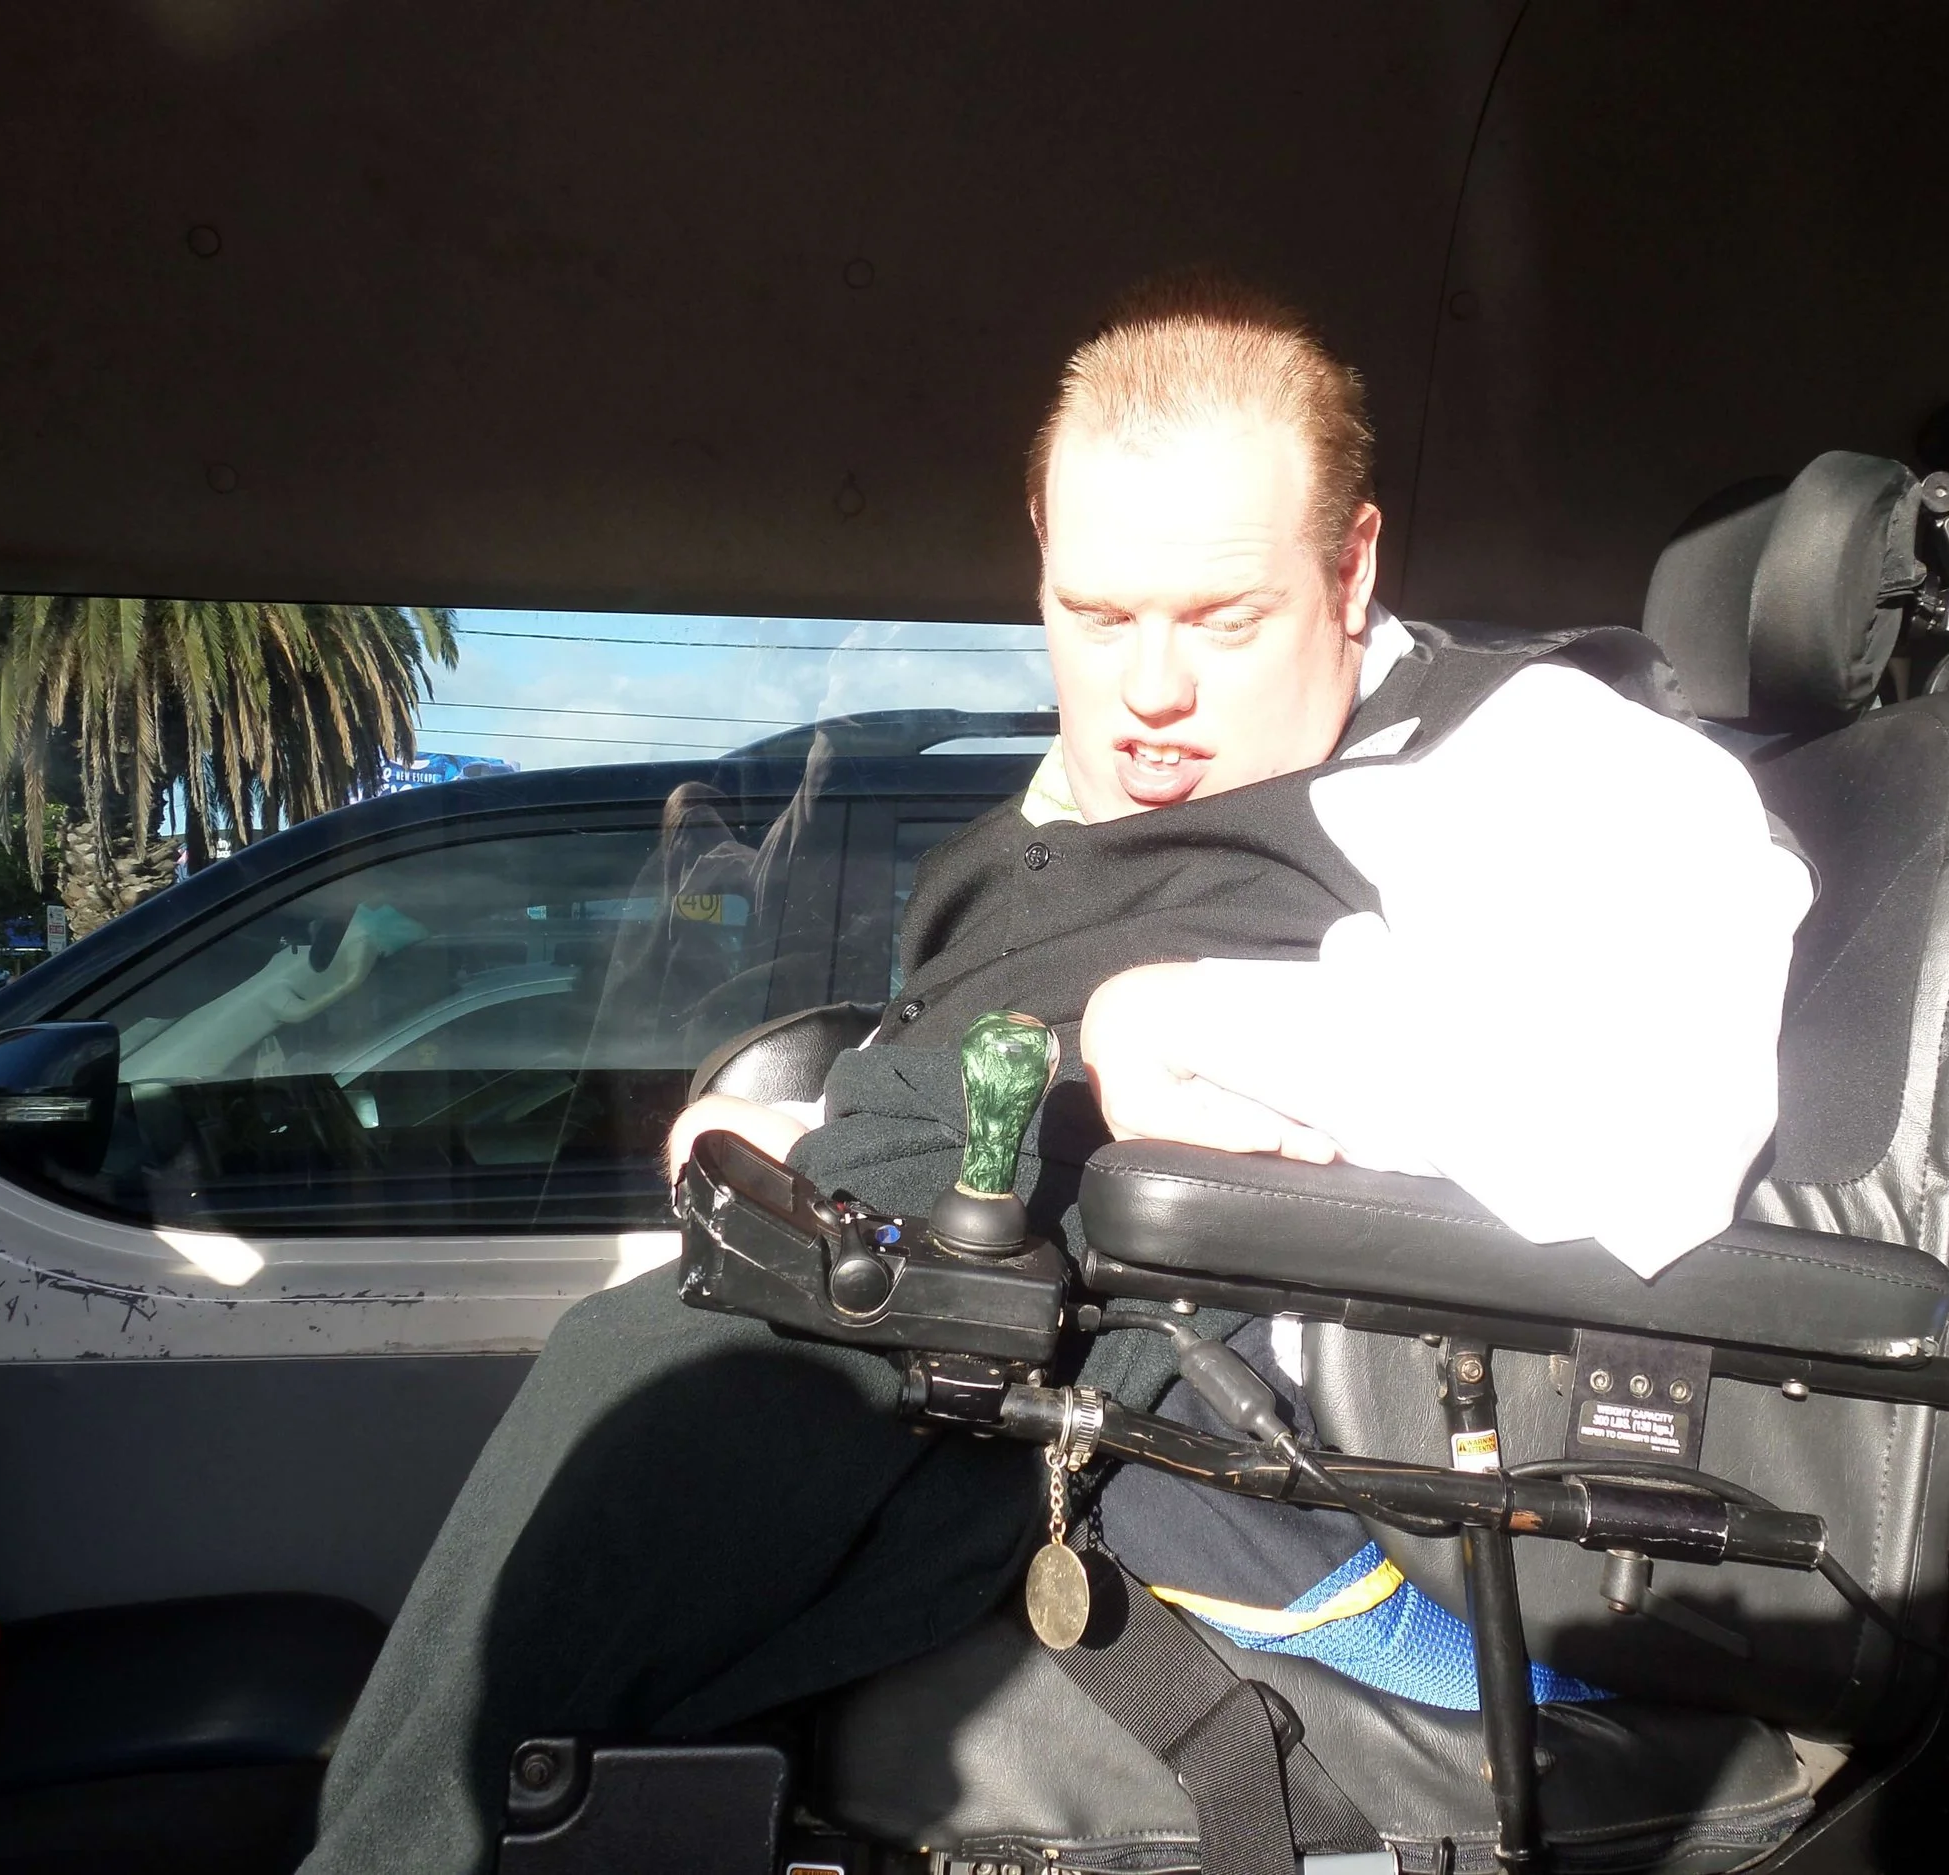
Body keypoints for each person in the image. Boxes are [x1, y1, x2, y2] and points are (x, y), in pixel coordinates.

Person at [301, 276, 1810, 1873]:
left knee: (624, 1494)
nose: (1150, 691)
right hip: (892, 1291)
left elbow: (1662, 1112)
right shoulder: (1071, 786)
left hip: (1107, 1394)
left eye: (1225, 621)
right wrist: (804, 1126)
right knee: (572, 1573)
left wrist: (1202, 1027)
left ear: (1353, 565)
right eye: (1096, 617)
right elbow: (990, 1058)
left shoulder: (1539, 758)